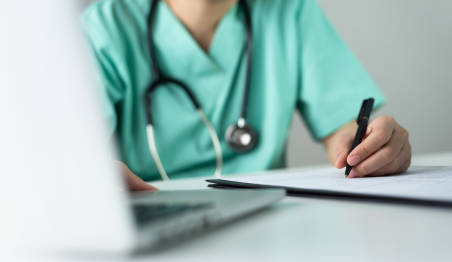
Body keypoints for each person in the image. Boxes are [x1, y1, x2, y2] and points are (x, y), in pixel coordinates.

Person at [81, 0, 411, 191]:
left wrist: (366, 148)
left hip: (267, 219)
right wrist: (92, 173)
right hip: (153, 219)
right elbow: (65, 151)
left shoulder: (288, 10)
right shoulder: (103, 29)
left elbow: (343, 129)